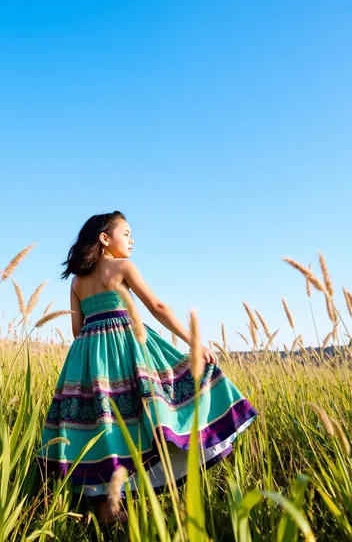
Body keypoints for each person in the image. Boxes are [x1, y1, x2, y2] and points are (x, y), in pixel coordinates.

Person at [37, 211, 258, 522]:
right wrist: (194, 342)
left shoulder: (76, 280)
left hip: (87, 358)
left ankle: (108, 512)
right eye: (125, 233)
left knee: (104, 425)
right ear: (105, 238)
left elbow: (77, 329)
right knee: (144, 415)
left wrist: (96, 338)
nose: (132, 239)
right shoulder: (123, 266)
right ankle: (130, 503)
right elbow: (157, 307)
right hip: (128, 347)